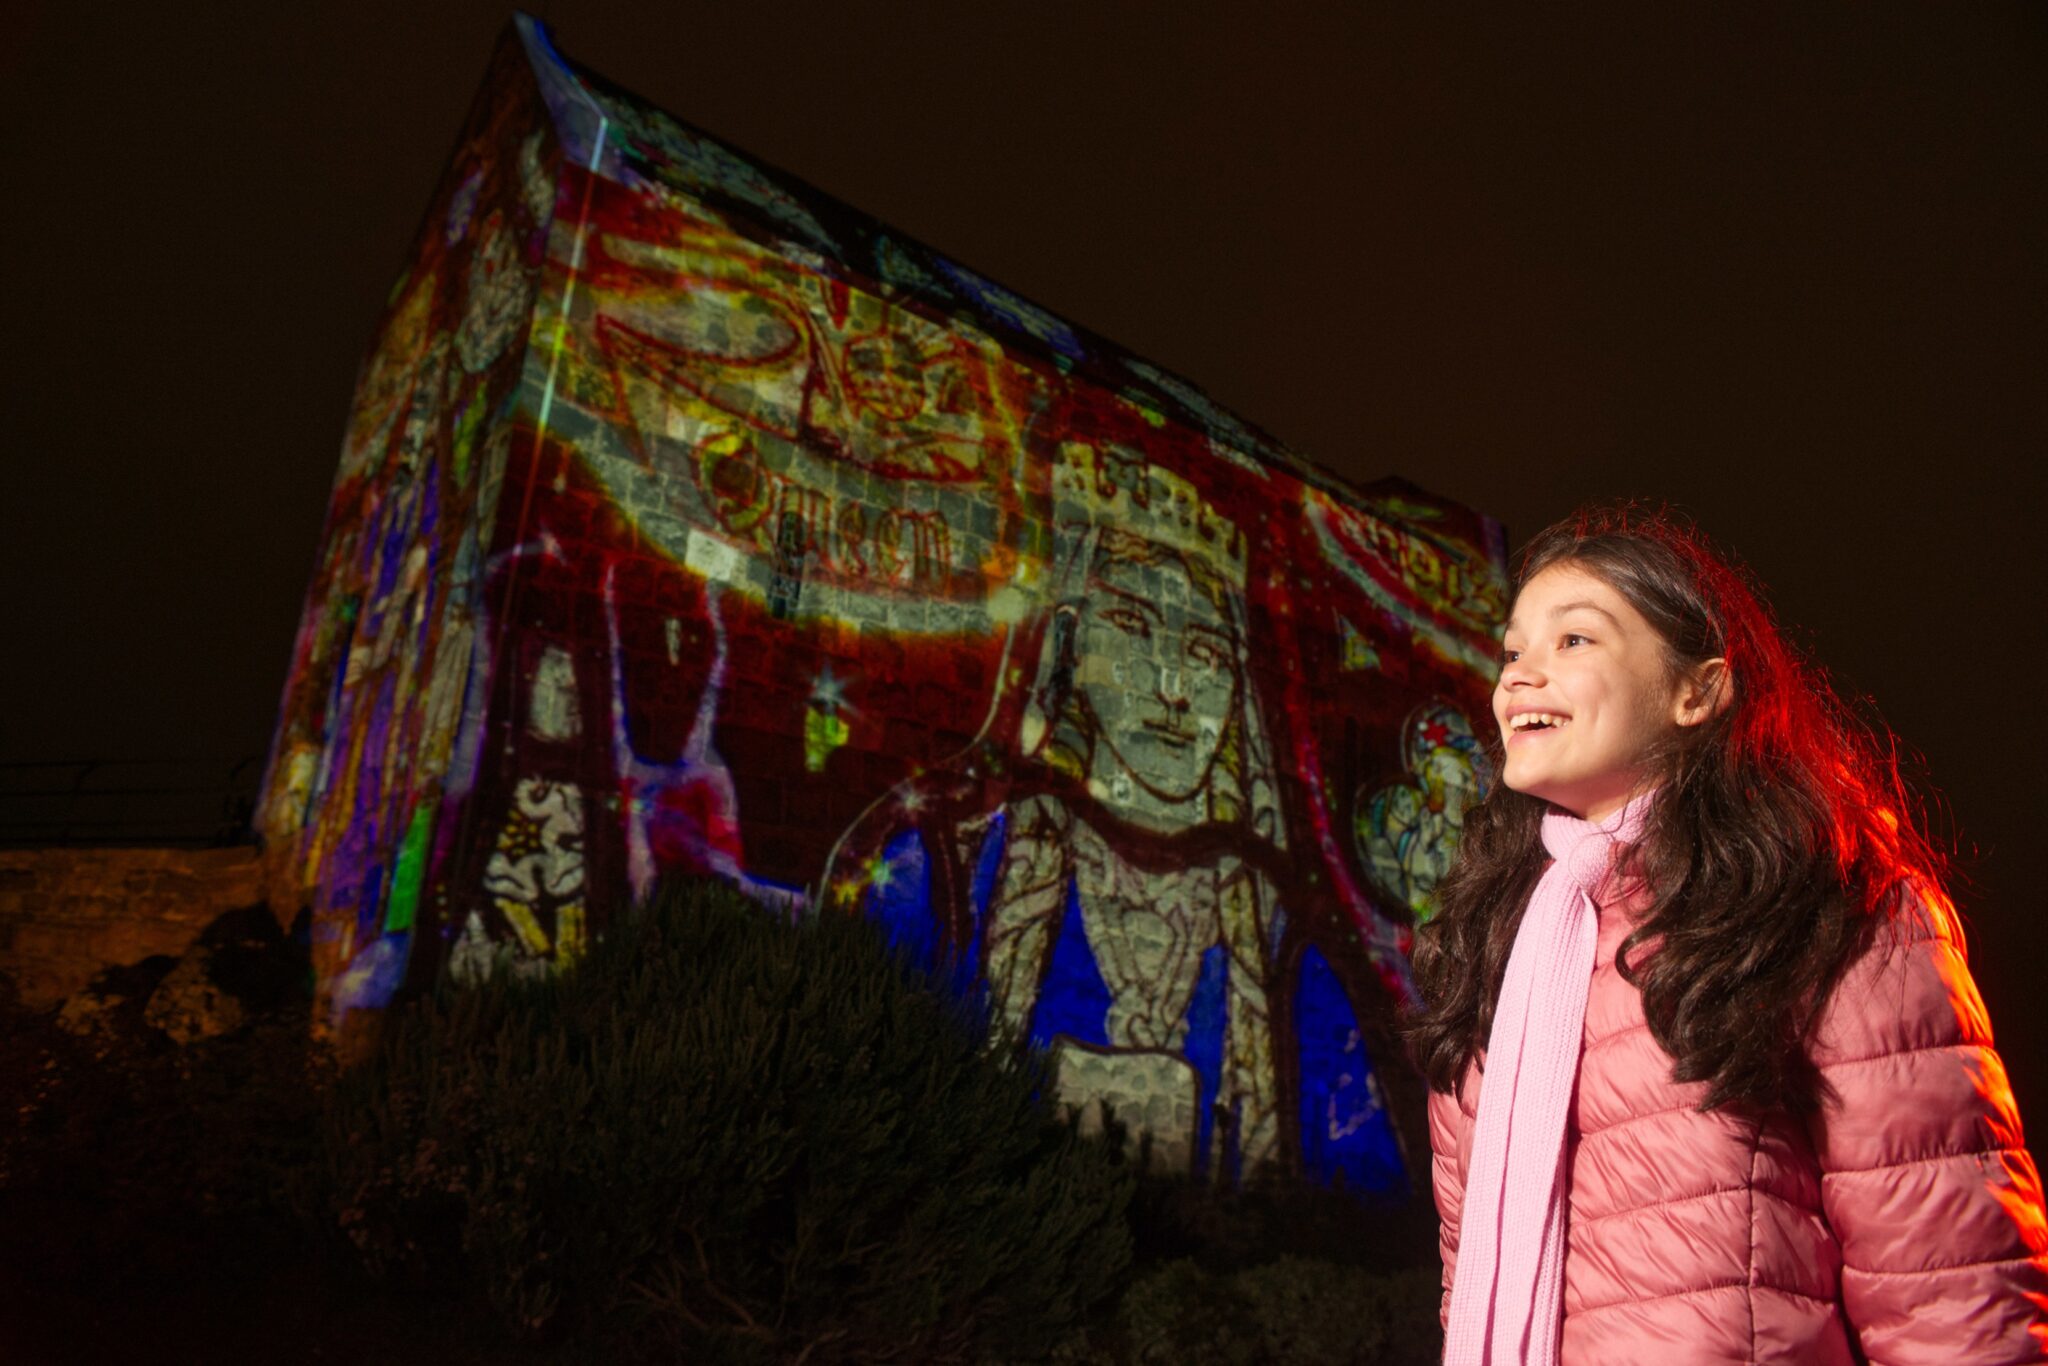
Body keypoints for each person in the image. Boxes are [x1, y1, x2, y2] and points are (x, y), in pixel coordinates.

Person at [1408, 504, 2047, 1364]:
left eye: (1575, 641)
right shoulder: (1493, 944)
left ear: (1696, 691)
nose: (1519, 676)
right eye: (1513, 650)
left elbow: (1948, 1281)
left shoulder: (1829, 902)